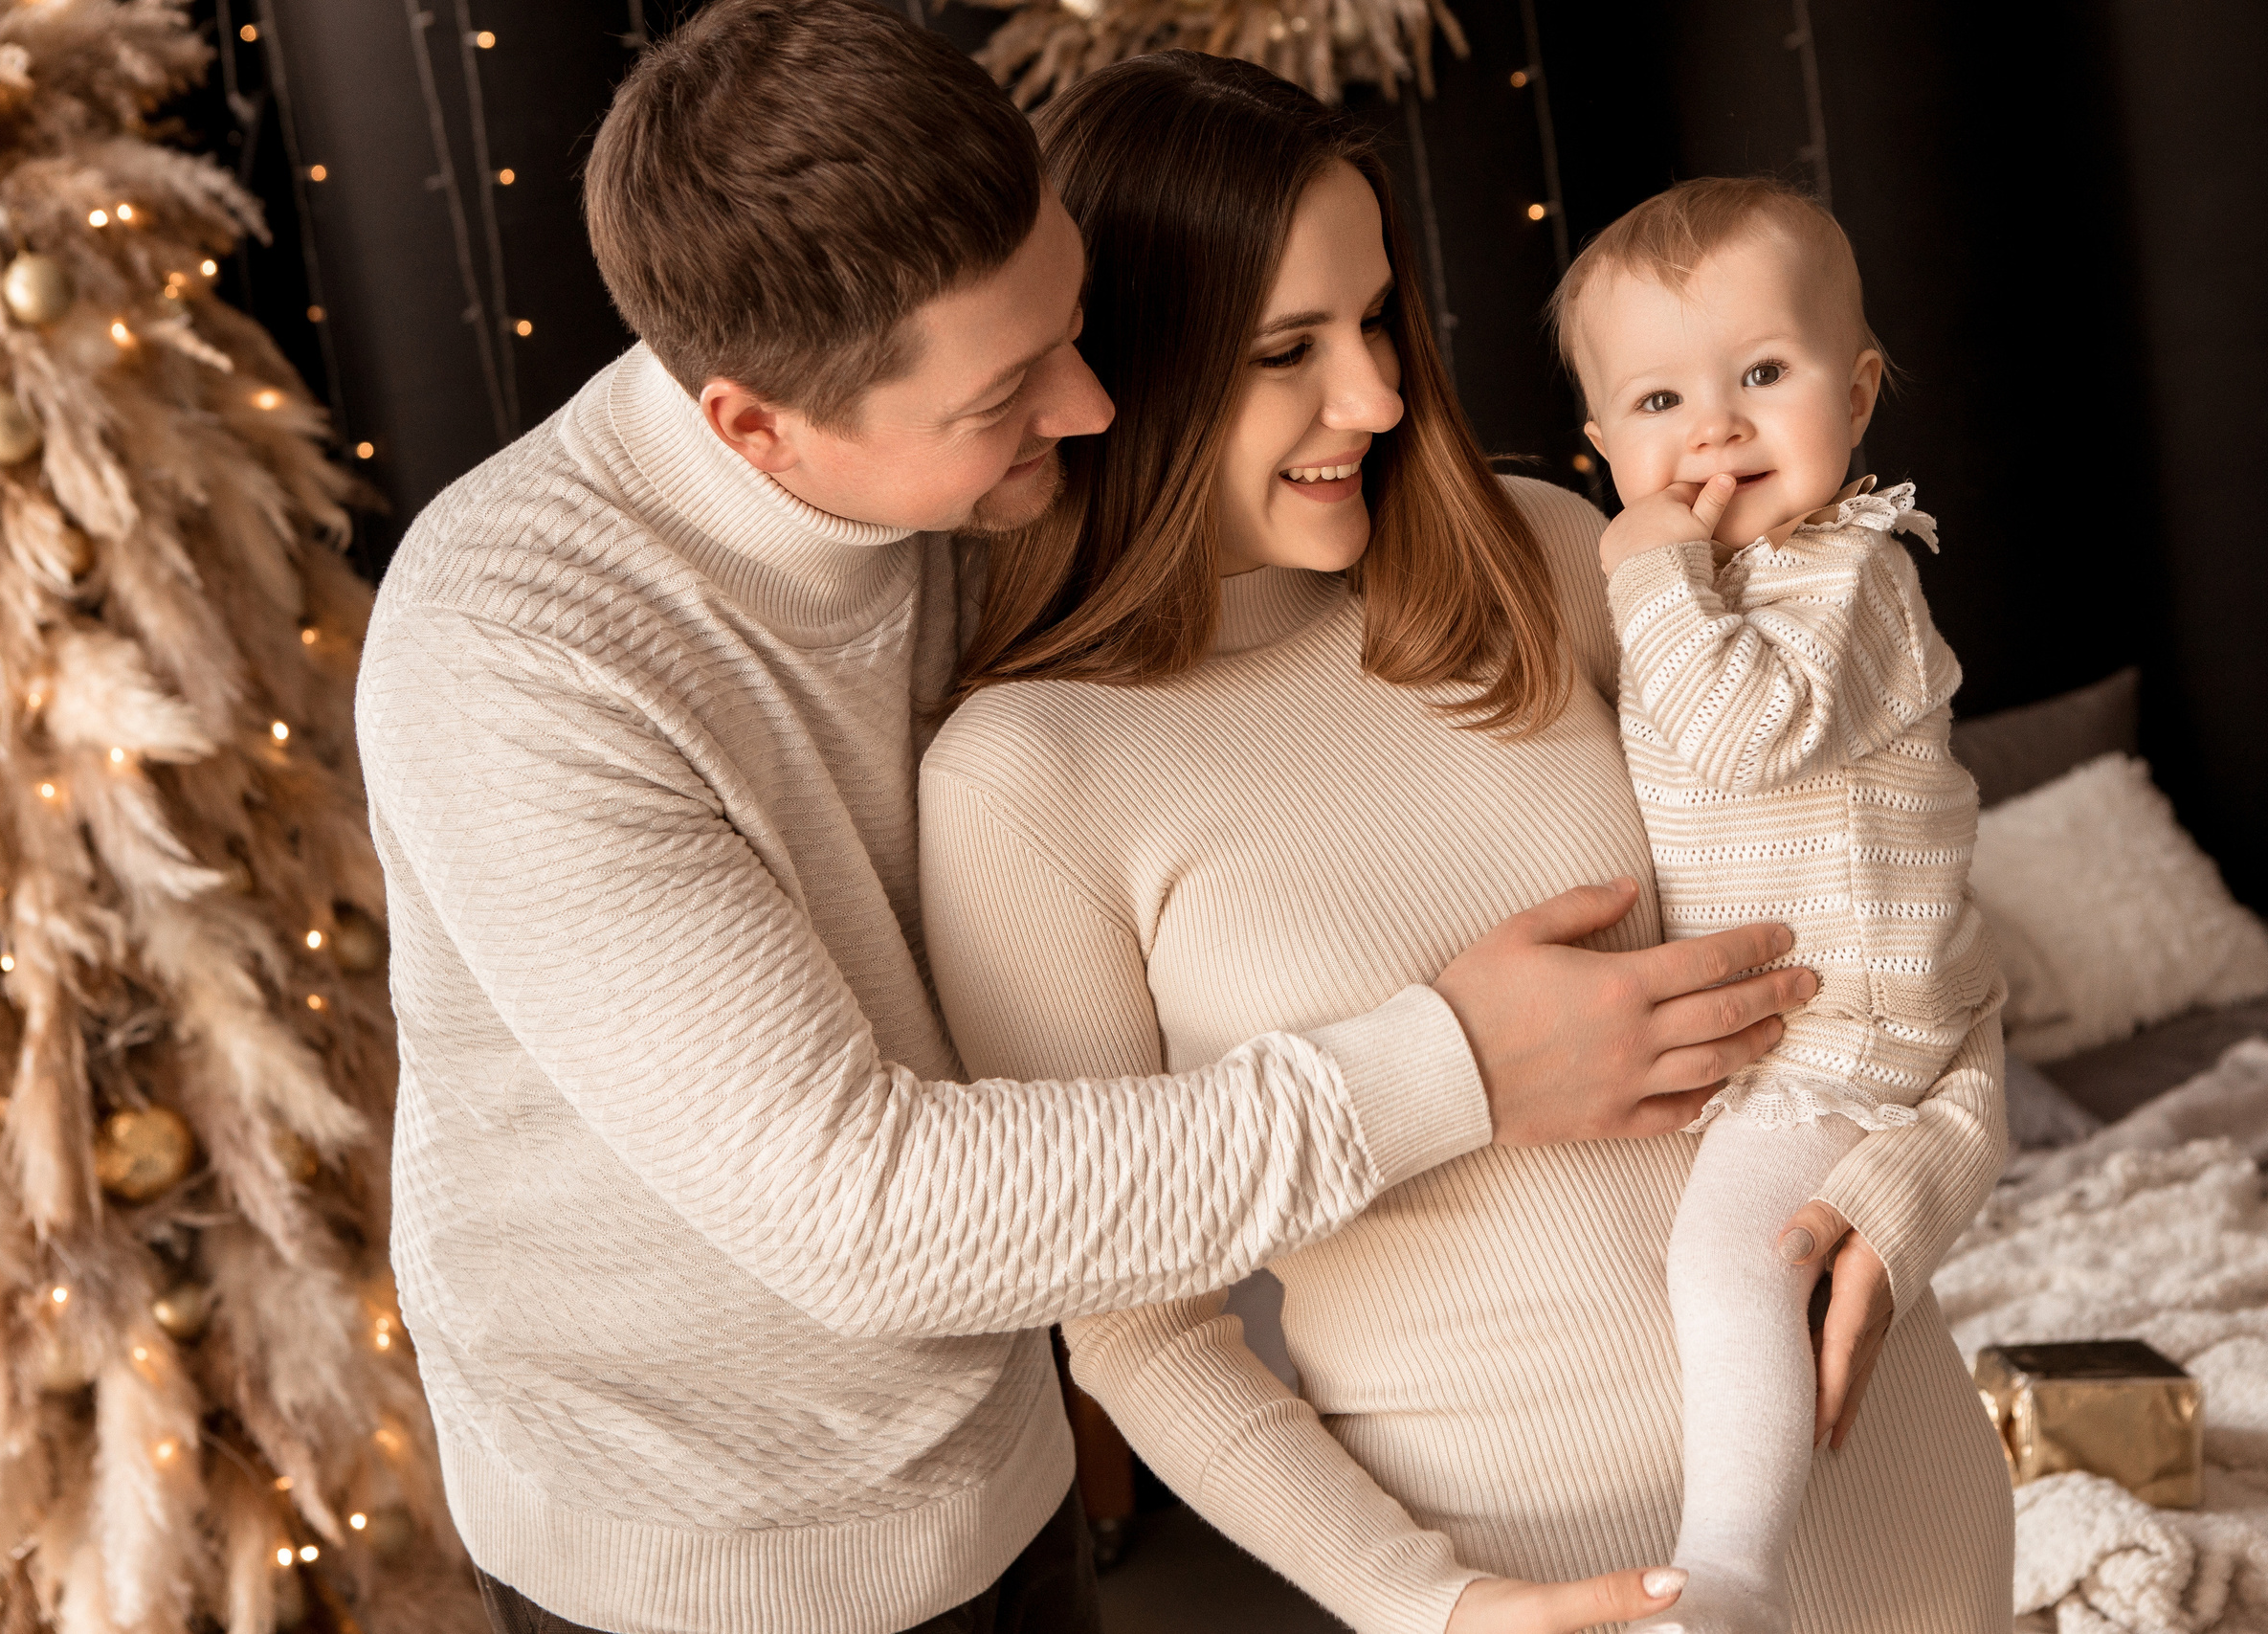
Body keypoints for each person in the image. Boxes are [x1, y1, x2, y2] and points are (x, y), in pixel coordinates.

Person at [352, 6, 1810, 1631]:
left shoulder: (992, 476)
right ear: (757, 428)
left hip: (1003, 1449)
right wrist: (1457, 1066)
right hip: (700, 1537)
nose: (1096, 404)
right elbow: (864, 1218)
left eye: (1077, 321)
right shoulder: (516, 654)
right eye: (1009, 390)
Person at [921, 53, 2015, 1634]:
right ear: (1125, 364)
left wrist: (1925, 1176)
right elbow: (1139, 1332)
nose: (1373, 396)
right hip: (1550, 1582)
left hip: (1901, 1496)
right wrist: (1425, 1605)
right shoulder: (1028, 779)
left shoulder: (1562, 560)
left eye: (1378, 322)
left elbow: (1909, 920)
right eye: (1288, 347)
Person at [1561, 177, 2000, 1633]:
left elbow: (1741, 732)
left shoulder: (1849, 570)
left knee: (1728, 1258)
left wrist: (1643, 568)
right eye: (1661, 400)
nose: (1716, 430)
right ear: (1604, 445)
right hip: (1802, 1021)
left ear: (1856, 394)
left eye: (1763, 375)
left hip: (1852, 1024)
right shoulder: (1725, 584)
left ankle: (1729, 1579)